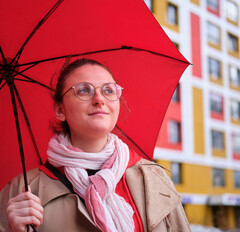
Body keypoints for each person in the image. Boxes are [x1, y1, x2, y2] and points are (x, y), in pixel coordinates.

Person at [0, 58, 191, 232]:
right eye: (84, 90)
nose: (99, 99)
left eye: (108, 90)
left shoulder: (152, 178)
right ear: (60, 110)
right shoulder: (23, 190)